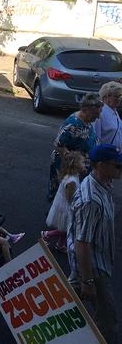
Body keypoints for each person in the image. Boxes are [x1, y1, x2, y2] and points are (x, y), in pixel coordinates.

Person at [67, 144, 120, 343]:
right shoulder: (91, 201)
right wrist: (87, 281)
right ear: (100, 165)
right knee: (108, 320)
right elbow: (82, 243)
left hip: (98, 265)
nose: (120, 169)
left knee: (69, 308)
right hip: (94, 270)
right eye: (117, 166)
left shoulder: (103, 184)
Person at [48, 93, 102, 200]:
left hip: (81, 168)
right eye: (96, 114)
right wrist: (75, 164)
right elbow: (58, 145)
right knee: (64, 198)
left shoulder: (86, 120)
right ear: (85, 109)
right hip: (70, 169)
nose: (98, 117)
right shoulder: (73, 124)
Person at [42, 150, 84, 253]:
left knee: (65, 228)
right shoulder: (72, 181)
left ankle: (60, 244)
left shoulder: (72, 176)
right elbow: (70, 198)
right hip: (66, 207)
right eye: (82, 162)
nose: (85, 164)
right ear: (75, 164)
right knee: (66, 229)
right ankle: (47, 234)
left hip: (63, 205)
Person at [93, 81, 122, 148]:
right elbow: (96, 138)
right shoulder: (99, 113)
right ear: (105, 97)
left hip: (117, 154)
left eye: (120, 96)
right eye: (115, 96)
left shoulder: (114, 110)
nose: (119, 99)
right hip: (106, 155)